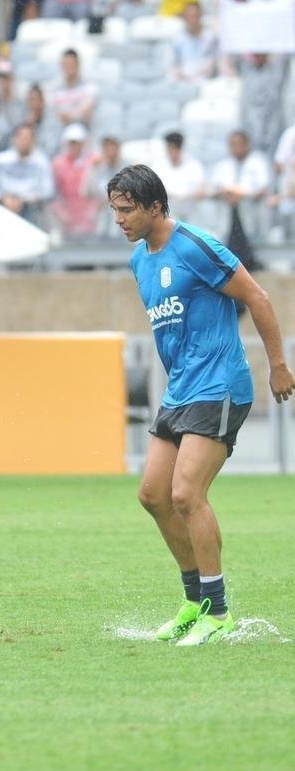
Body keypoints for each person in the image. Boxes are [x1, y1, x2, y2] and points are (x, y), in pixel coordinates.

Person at [107, 164, 294, 645]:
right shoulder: (139, 261)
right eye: (114, 211)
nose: (119, 220)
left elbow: (257, 296)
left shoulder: (194, 245)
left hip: (221, 384)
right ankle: (195, 603)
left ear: (155, 207)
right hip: (181, 389)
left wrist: (277, 365)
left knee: (187, 494)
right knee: (153, 495)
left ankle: (220, 612)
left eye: (127, 210)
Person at [0, 123, 54, 226]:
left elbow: (48, 191)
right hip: (2, 206)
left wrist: (24, 199)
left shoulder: (41, 162)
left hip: (30, 209)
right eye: (20, 137)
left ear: (34, 141)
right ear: (14, 139)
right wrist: (2, 198)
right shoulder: (0, 160)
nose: (24, 141)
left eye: (27, 138)